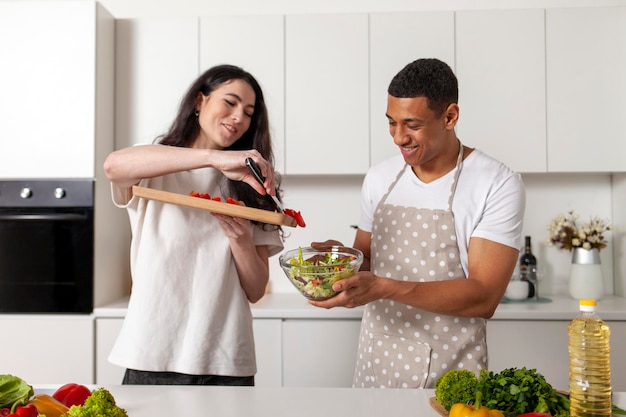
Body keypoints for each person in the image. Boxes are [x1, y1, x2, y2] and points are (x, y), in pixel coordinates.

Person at [310, 58, 526, 389]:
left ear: (450, 117)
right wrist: (339, 262)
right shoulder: (380, 178)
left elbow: (484, 296)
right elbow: (365, 260)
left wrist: (386, 286)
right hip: (375, 365)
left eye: (412, 124)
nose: (398, 137)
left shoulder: (496, 183)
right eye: (391, 123)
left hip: (452, 374)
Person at [103, 64, 285, 386]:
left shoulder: (256, 182)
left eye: (248, 112)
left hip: (227, 358)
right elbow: (113, 166)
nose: (238, 117)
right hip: (152, 352)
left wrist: (241, 239)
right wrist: (213, 158)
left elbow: (256, 290)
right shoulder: (155, 163)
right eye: (229, 102)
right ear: (200, 101)